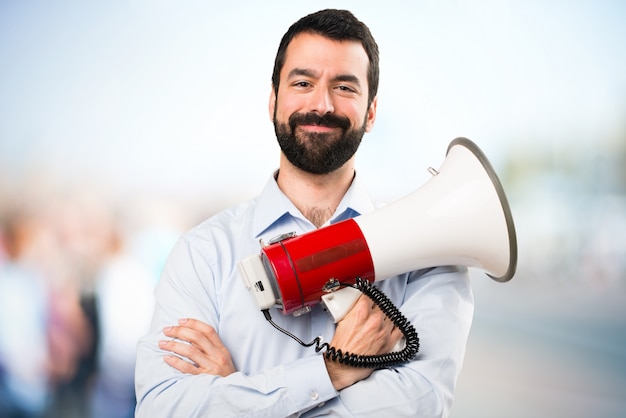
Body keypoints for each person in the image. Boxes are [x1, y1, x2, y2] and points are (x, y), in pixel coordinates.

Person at [135, 9, 474, 417]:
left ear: (371, 111)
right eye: (302, 82)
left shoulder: (430, 253)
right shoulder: (204, 253)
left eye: (345, 87)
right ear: (274, 99)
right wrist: (333, 369)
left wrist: (235, 391)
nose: (322, 103)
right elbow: (162, 408)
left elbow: (420, 406)